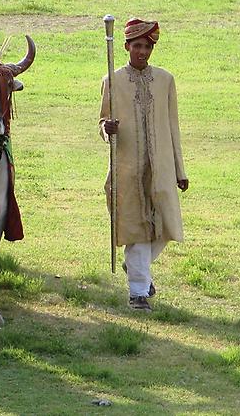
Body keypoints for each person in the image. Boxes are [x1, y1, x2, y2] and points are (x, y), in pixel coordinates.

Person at [99, 19, 188, 312]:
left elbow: (173, 127)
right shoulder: (112, 81)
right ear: (126, 47)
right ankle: (138, 292)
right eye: (137, 45)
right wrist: (106, 128)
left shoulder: (165, 80)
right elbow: (102, 123)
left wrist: (179, 169)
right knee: (137, 229)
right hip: (127, 168)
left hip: (161, 166)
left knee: (165, 227)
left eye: (147, 46)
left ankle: (136, 267)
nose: (142, 51)